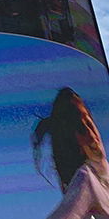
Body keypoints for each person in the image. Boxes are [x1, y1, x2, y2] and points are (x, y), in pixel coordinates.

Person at [32, 88, 109, 219]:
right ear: (72, 142)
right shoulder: (85, 179)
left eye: (89, 122)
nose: (90, 133)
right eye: (80, 128)